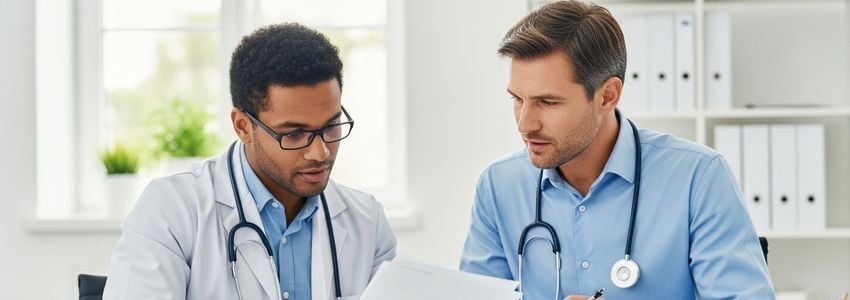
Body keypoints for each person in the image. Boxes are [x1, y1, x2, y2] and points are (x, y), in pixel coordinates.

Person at [459, 1, 774, 299]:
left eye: (548, 102)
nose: (525, 124)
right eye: (517, 99)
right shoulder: (498, 186)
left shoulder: (698, 178)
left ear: (607, 96)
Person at [103, 23, 397, 300]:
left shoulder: (367, 222)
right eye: (294, 134)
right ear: (243, 126)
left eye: (331, 127)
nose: (320, 153)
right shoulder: (171, 211)